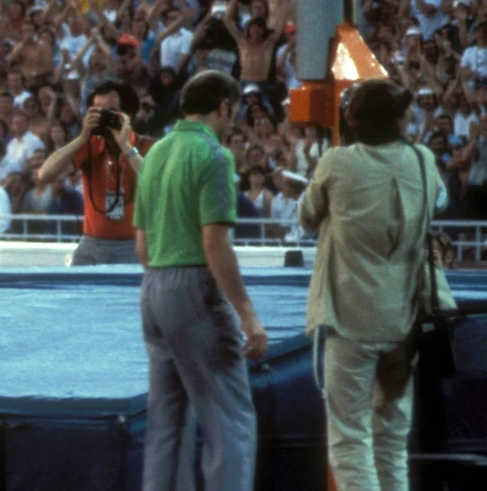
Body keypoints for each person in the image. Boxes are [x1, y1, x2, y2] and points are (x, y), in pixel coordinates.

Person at [301, 79, 445, 491]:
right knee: (391, 441)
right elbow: (440, 201)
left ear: (352, 120)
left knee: (350, 441)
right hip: (403, 322)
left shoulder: (336, 162)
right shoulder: (422, 159)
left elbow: (306, 216)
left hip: (350, 322)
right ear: (399, 120)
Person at [134, 70, 268, 491]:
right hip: (193, 289)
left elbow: (142, 243)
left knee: (166, 423)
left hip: (154, 286)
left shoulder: (156, 152)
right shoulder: (214, 156)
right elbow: (215, 244)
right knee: (229, 419)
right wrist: (247, 313)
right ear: (224, 106)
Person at [37, 80, 153, 265]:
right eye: (97, 112)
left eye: (110, 112)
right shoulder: (89, 146)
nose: (103, 118)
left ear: (128, 114)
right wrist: (82, 137)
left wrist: (125, 146)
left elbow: (155, 180)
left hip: (134, 244)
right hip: (92, 244)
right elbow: (45, 174)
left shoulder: (147, 145)